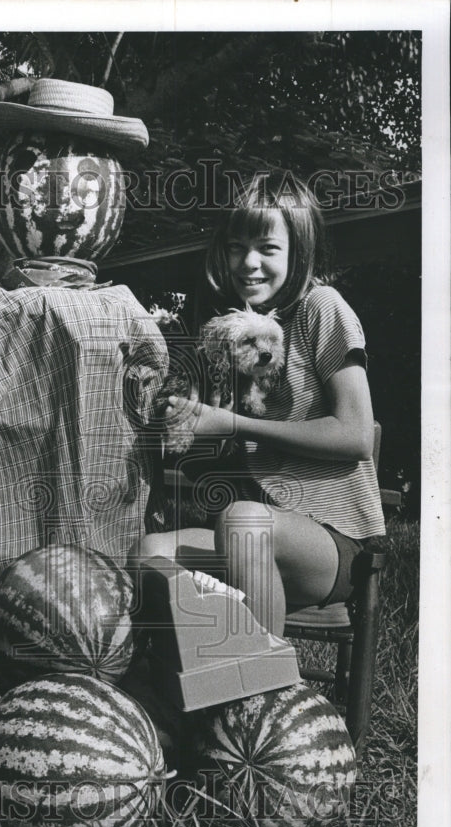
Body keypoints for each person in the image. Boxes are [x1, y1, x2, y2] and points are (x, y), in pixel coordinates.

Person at [134, 171, 386, 637]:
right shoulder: (237, 336)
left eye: (267, 248)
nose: (248, 262)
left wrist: (231, 424)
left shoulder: (322, 308)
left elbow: (354, 436)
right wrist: (179, 416)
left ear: (299, 251)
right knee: (150, 550)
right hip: (246, 529)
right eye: (236, 246)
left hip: (333, 543)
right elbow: (208, 464)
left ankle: (260, 691)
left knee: (242, 521)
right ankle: (203, 670)